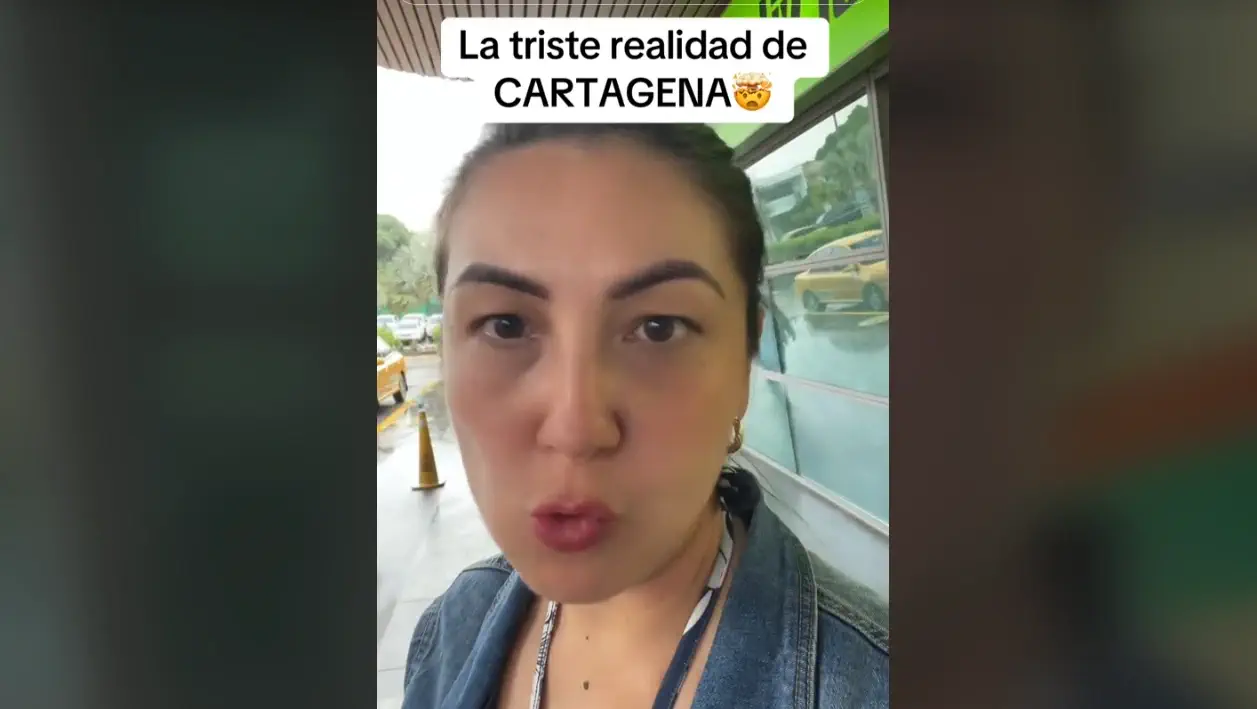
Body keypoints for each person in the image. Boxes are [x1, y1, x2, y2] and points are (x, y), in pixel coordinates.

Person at [401, 123, 889, 709]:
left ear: (745, 361)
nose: (575, 429)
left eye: (659, 328)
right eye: (505, 326)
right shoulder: (448, 634)